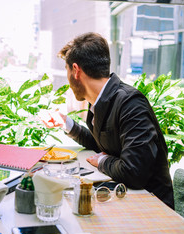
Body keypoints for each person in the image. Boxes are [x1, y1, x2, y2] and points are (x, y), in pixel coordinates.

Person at [41, 32, 174, 209]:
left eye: (66, 71)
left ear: (75, 70)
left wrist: (103, 162)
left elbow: (134, 171)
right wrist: (67, 124)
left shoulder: (130, 103)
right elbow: (103, 144)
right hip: (123, 197)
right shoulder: (100, 101)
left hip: (152, 206)